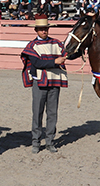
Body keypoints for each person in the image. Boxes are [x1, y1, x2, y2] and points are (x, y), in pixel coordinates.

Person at [21, 15, 67, 153]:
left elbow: (67, 53)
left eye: (45, 29)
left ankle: (50, 141)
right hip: (40, 82)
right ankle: (36, 142)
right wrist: (55, 62)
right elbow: (37, 63)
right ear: (36, 30)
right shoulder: (32, 45)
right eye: (41, 29)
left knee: (52, 113)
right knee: (38, 113)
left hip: (54, 82)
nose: (44, 31)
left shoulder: (57, 43)